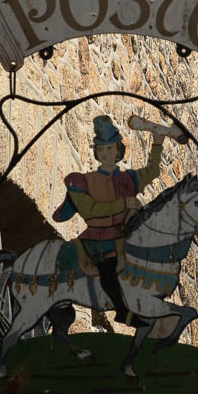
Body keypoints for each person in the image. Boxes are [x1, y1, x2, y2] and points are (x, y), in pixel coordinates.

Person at [52, 114, 164, 323]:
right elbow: (90, 210)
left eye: (110, 148)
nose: (106, 153)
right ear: (96, 152)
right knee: (109, 266)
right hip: (96, 239)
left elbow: (153, 170)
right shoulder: (84, 181)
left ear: (118, 150)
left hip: (122, 237)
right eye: (101, 149)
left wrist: (157, 141)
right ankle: (123, 312)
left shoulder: (129, 179)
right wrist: (124, 204)